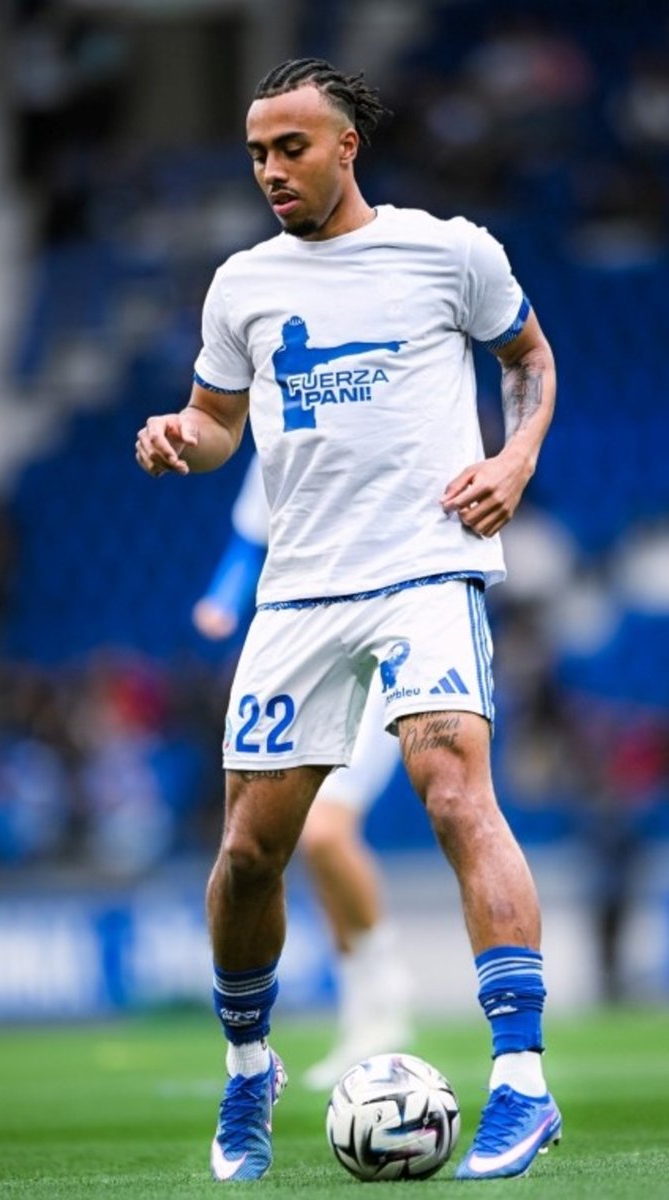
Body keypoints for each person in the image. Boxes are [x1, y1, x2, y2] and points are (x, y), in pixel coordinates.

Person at [135, 58, 558, 1182]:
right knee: (247, 853)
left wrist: (513, 459)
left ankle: (520, 1078)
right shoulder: (241, 285)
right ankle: (249, 1071)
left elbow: (527, 358)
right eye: (258, 153)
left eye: (291, 147)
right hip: (299, 589)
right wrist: (182, 437)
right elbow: (219, 423)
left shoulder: (448, 250)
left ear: (345, 146)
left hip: (426, 566)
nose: (272, 170)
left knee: (455, 789)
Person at [194, 453, 411, 1091]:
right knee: (300, 841)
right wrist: (221, 599)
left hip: (384, 644)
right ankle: (365, 1013)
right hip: (309, 647)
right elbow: (250, 533)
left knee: (323, 832)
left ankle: (386, 993)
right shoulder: (282, 426)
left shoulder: (382, 397)